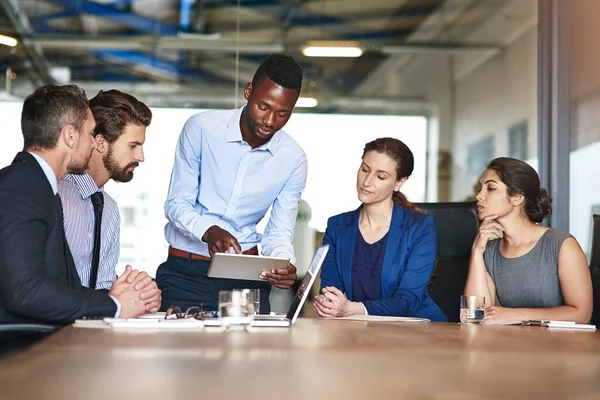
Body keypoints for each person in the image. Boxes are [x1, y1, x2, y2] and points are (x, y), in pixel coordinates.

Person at [157, 53, 307, 313]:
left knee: (252, 353)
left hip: (248, 277)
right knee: (182, 352)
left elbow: (279, 232)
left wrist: (283, 262)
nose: (270, 121)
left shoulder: (293, 159)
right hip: (186, 273)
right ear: (248, 91)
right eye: (264, 107)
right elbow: (176, 203)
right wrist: (209, 231)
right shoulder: (201, 129)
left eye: (283, 114)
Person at [0, 84, 160, 325]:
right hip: (24, 347)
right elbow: (26, 291)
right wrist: (115, 305)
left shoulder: (39, 186)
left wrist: (131, 295)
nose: (93, 142)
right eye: (90, 132)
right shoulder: (23, 185)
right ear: (70, 136)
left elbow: (63, 286)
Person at [313, 137, 447, 321]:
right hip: (354, 332)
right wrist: (330, 305)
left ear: (399, 182)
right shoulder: (337, 226)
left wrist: (353, 309)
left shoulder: (420, 227)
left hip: (416, 333)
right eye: (365, 169)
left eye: (381, 176)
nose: (367, 181)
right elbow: (331, 293)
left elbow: (408, 301)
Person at [464, 157, 592, 324]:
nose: (479, 196)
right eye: (481, 189)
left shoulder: (562, 245)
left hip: (559, 346)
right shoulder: (489, 249)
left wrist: (515, 315)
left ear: (517, 197)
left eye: (491, 188)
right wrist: (477, 252)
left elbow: (582, 315)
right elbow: (478, 314)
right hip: (510, 346)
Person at [58, 89, 153, 292]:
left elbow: (103, 285)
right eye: (133, 145)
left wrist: (133, 295)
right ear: (101, 143)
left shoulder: (109, 209)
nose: (140, 156)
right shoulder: (57, 196)